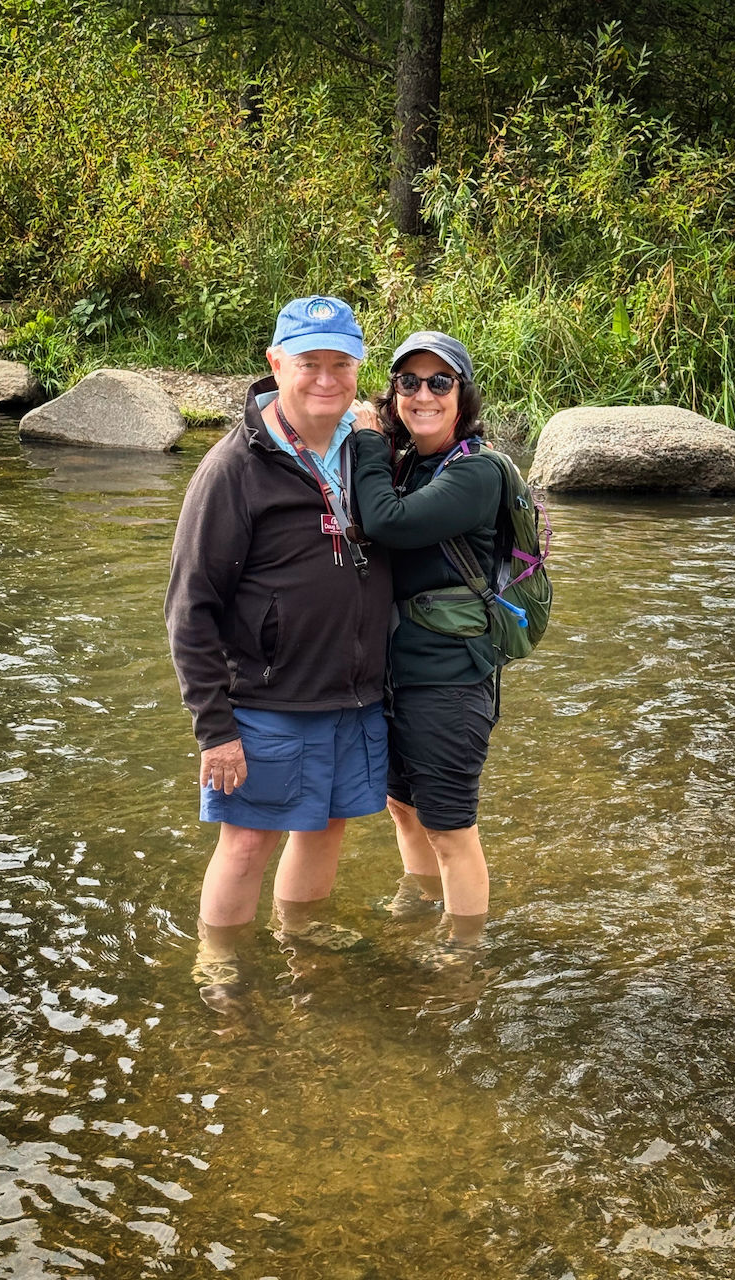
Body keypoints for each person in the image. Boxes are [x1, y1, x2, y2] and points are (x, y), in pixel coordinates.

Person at [165, 296, 392, 1005]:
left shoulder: (366, 449)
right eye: (308, 363)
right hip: (265, 700)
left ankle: (301, 931)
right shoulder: (233, 467)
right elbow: (188, 609)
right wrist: (216, 730)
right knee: (246, 841)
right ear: (275, 364)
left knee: (328, 824)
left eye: (340, 363)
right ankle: (219, 958)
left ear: (358, 367)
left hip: (353, 692)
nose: (326, 378)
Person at [350, 331, 502, 959]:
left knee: (450, 828)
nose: (423, 394)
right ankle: (420, 902)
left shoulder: (478, 471)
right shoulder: (410, 462)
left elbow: (390, 522)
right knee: (401, 808)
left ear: (462, 396)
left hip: (451, 680)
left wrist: (364, 442)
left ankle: (464, 951)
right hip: (398, 673)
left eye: (440, 382)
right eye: (408, 382)